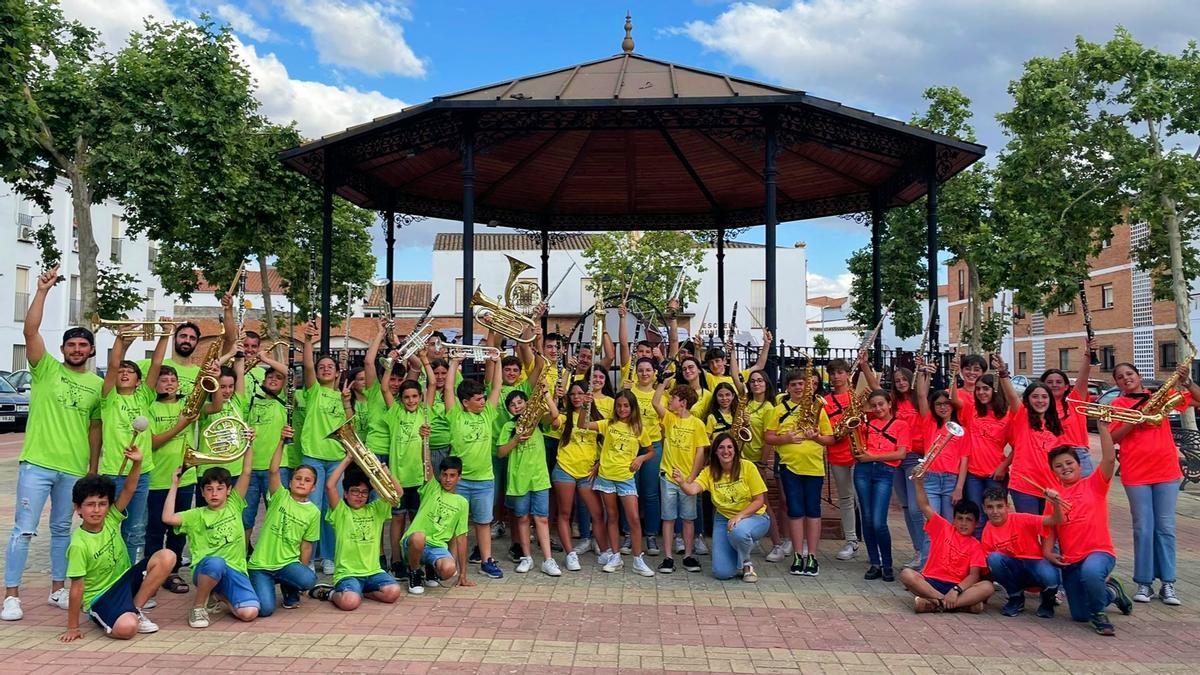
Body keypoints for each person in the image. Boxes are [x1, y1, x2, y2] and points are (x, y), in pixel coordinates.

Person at [3, 268, 104, 622]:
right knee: (24, 530)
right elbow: (30, 331)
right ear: (62, 349)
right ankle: (11, 595)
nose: (77, 349)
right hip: (38, 463)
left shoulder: (96, 384)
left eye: (83, 345)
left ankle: (58, 589)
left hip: (73, 469)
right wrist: (42, 291)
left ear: (91, 350)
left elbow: (95, 429)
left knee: (63, 530)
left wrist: (92, 469)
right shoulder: (45, 368)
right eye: (71, 345)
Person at [1106, 361, 1200, 606]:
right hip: (1135, 472)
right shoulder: (1117, 405)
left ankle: (1168, 582)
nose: (1126, 378)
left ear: (1138, 376)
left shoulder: (1161, 395)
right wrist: (1135, 420)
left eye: (1129, 374)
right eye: (1120, 377)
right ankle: (1144, 582)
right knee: (1143, 528)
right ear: (1116, 383)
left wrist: (1187, 381)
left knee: (1165, 528)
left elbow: (1198, 400)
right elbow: (1112, 437)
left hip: (1166, 471)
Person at [59, 446, 175, 642]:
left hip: (125, 580)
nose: (96, 510)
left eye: (102, 504)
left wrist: (137, 462)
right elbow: (77, 588)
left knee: (167, 556)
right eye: (89, 504)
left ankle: (135, 609)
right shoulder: (78, 544)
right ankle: (114, 617)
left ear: (108, 506)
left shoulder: (111, 518)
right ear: (78, 508)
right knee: (128, 629)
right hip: (101, 597)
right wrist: (72, 627)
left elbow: (129, 489)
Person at [1042, 424, 1134, 635]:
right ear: (1052, 470)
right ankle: (1111, 592)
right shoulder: (1053, 497)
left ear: (1079, 463)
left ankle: (1101, 617)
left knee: (1091, 572)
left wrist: (1102, 427)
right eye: (1058, 466)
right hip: (1071, 560)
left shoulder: (1094, 483)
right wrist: (1048, 552)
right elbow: (1050, 529)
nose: (1065, 467)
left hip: (1099, 552)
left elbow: (1109, 459)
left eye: (1069, 462)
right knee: (1080, 615)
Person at [163, 448, 260, 629]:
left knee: (250, 613)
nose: (214, 494)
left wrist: (249, 444)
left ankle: (220, 595)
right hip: (206, 569)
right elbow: (167, 517)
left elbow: (246, 471)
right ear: (202, 493)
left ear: (229, 490)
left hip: (236, 569)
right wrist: (174, 484)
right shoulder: (196, 515)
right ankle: (198, 607)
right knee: (216, 563)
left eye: (219, 489)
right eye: (209, 489)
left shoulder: (234, 504)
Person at [98, 331, 166, 563]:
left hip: (141, 474)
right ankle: (109, 575)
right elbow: (113, 364)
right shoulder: (109, 398)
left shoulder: (144, 397)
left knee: (135, 530)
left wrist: (165, 335)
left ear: (139, 381)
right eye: (121, 372)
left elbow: (157, 363)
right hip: (113, 473)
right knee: (108, 528)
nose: (124, 373)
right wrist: (120, 340)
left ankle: (131, 579)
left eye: (131, 372)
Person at [764, 367, 834, 576]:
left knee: (813, 511)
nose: (797, 388)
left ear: (808, 386)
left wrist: (816, 437)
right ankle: (797, 554)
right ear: (788, 387)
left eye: (801, 384)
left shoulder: (818, 408)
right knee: (795, 511)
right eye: (793, 384)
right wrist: (785, 439)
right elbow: (768, 437)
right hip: (789, 466)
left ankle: (811, 556)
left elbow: (829, 439)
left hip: (814, 467)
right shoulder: (779, 410)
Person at [308, 456, 403, 610]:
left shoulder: (376, 509)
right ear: (345, 493)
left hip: (374, 572)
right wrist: (348, 459)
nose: (360, 496)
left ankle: (361, 593)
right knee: (349, 603)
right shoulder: (341, 512)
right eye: (355, 491)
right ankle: (330, 594)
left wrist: (386, 473)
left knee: (393, 592)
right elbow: (330, 486)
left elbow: (398, 493)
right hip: (348, 574)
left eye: (364, 492)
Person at [673, 433, 770, 582]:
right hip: (723, 519)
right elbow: (692, 490)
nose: (726, 451)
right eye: (721, 448)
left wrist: (739, 516)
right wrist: (681, 482)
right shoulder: (709, 471)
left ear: (735, 450)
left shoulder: (747, 467)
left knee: (738, 531)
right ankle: (740, 546)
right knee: (722, 573)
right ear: (716, 452)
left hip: (755, 516)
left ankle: (746, 563)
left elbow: (759, 501)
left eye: (730, 447)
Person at [578, 390, 656, 576]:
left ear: (632, 407)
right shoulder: (608, 424)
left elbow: (651, 451)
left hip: (626, 478)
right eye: (619, 405)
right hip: (606, 476)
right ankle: (615, 556)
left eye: (626, 406)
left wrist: (640, 459)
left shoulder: (639, 429)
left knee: (634, 519)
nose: (622, 409)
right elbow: (582, 424)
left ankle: (638, 559)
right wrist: (584, 406)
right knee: (611, 516)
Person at [443, 351, 504, 578]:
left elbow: (496, 388)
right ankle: (451, 561)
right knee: (456, 525)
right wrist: (455, 363)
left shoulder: (487, 413)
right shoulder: (456, 416)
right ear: (465, 403)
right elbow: (449, 389)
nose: (483, 402)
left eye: (483, 398)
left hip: (484, 480)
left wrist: (497, 363)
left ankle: (487, 561)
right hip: (461, 481)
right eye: (478, 399)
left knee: (483, 522)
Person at [246, 434, 319, 616]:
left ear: (314, 488)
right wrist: (281, 441)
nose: (302, 482)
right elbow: (273, 471)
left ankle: (289, 589)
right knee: (265, 610)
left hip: (287, 564)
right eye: (298, 478)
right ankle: (260, 584)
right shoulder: (280, 496)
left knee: (308, 580)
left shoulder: (313, 512)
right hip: (261, 566)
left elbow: (307, 545)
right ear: (290, 482)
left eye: (307, 480)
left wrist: (298, 577)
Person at [497, 372, 562, 576]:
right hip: (519, 480)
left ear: (526, 403)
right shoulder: (508, 426)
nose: (517, 406)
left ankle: (548, 560)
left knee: (541, 518)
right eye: (513, 404)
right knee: (522, 518)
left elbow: (554, 416)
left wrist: (545, 393)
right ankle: (527, 557)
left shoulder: (537, 422)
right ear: (509, 409)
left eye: (520, 402)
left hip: (539, 478)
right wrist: (515, 439)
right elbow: (500, 452)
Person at [898, 475, 993, 614]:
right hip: (931, 582)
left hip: (957, 586)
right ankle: (950, 603)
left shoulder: (975, 545)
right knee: (907, 574)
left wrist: (956, 590)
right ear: (953, 520)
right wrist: (918, 483)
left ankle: (934, 604)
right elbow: (924, 506)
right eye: (960, 518)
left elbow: (973, 576)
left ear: (976, 524)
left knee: (987, 587)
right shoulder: (943, 528)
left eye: (968, 520)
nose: (963, 523)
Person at [299, 320, 349, 575]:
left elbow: (351, 427)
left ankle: (328, 556)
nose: (325, 369)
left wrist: (348, 402)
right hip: (314, 458)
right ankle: (307, 556)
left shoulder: (344, 395)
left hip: (336, 460)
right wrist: (308, 341)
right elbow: (307, 364)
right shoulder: (314, 391)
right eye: (322, 367)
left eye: (330, 366)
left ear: (338, 372)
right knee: (312, 509)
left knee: (332, 511)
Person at [145, 365, 201, 595]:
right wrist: (181, 425)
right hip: (158, 478)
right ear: (155, 384)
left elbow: (215, 404)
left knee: (179, 529)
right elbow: (152, 442)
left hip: (185, 477)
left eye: (173, 380)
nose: (169, 383)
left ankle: (173, 571)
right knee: (155, 529)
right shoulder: (150, 407)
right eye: (164, 380)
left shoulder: (186, 404)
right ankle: (152, 571)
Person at [380, 359, 435, 578]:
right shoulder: (395, 413)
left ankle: (415, 557)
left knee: (417, 520)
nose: (411, 400)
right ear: (400, 400)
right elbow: (384, 387)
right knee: (398, 519)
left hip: (420, 477)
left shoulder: (425, 412)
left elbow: (432, 383)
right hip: (399, 478)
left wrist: (424, 359)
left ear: (420, 398)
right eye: (406, 397)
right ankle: (396, 559)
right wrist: (390, 363)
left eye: (414, 396)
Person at [552, 381, 610, 570]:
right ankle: (570, 554)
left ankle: (605, 551)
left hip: (587, 473)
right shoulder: (564, 417)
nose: (576, 397)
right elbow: (552, 421)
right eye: (573, 394)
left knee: (598, 513)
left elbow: (608, 445)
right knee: (565, 513)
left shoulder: (598, 418)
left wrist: (599, 463)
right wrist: (552, 396)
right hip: (565, 469)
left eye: (581, 393)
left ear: (588, 395)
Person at [824, 355, 876, 562]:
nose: (836, 377)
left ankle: (871, 541)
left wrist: (864, 366)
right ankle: (851, 540)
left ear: (847, 374)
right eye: (832, 373)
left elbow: (876, 388)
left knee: (862, 499)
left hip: (859, 454)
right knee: (845, 499)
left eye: (840, 372)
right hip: (837, 454)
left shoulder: (857, 396)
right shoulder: (825, 401)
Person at [994, 356, 1062, 514]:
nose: (1040, 401)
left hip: (1051, 487)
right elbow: (1011, 396)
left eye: (1044, 397)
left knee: (1049, 533)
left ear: (1050, 400)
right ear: (1028, 400)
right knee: (1029, 534)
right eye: (1035, 397)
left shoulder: (1056, 425)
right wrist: (1003, 373)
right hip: (1024, 485)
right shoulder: (1022, 416)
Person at [653, 381, 708, 574]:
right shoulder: (669, 418)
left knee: (688, 518)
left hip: (687, 480)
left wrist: (690, 478)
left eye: (674, 398)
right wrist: (661, 383)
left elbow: (700, 453)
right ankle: (668, 557)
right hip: (668, 477)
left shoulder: (698, 424)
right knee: (668, 518)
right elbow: (655, 402)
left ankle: (688, 555)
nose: (670, 401)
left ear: (683, 402)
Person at [981, 487, 1061, 617]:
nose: (995, 512)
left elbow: (1055, 520)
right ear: (984, 508)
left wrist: (1055, 503)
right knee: (993, 559)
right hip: (1016, 572)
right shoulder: (987, 531)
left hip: (1034, 566)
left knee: (1051, 575)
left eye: (1000, 506)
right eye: (990, 507)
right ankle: (1016, 598)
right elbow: (988, 569)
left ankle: (1047, 602)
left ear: (1007, 506)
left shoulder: (1022, 518)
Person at [856, 390, 909, 582]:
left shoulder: (901, 425)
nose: (878, 408)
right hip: (863, 470)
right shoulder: (866, 424)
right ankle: (874, 563)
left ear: (889, 404)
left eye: (881, 404)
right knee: (867, 519)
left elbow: (901, 454)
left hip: (884, 472)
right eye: (874, 405)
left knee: (879, 521)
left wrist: (874, 457)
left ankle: (887, 563)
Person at [402, 456, 472, 593]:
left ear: (459, 477)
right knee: (419, 537)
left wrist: (463, 574)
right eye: (444, 475)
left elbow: (461, 538)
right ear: (440, 475)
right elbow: (426, 463)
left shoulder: (462, 502)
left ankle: (431, 567)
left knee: (449, 570)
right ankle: (414, 572)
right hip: (414, 543)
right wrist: (425, 439)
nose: (447, 479)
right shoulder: (432, 488)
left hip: (437, 547)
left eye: (452, 475)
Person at [914, 359, 968, 523]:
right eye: (938, 404)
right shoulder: (929, 422)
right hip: (931, 477)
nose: (943, 407)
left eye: (947, 404)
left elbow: (964, 460)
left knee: (949, 525)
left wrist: (959, 488)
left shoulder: (961, 429)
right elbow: (922, 395)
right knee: (931, 525)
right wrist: (925, 372)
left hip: (951, 480)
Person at [243, 366, 291, 543]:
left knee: (278, 514)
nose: (273, 380)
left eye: (278, 378)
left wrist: (265, 359)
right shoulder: (252, 400)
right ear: (263, 381)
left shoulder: (285, 400)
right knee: (246, 515)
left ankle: (274, 551)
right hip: (251, 468)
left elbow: (289, 373)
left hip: (277, 468)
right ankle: (245, 551)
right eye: (269, 377)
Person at [963, 374, 1014, 537]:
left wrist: (1003, 466)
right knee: (978, 518)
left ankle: (996, 554)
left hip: (995, 475)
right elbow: (952, 398)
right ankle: (980, 558)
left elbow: (1018, 446)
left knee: (996, 517)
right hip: (972, 474)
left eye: (986, 388)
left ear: (995, 390)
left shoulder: (1007, 415)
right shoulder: (972, 410)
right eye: (978, 389)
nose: (981, 392)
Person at [1039, 337, 1098, 477]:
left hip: (1078, 456)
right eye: (1049, 382)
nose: (1054, 385)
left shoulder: (1074, 401)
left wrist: (1088, 355)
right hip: (1050, 457)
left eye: (1059, 382)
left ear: (1066, 386)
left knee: (1084, 497)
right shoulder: (1038, 407)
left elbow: (1083, 377)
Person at [626, 357, 666, 557]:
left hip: (653, 446)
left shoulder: (661, 395)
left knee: (650, 493)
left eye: (648, 370)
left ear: (654, 373)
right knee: (629, 492)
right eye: (640, 370)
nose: (644, 373)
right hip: (631, 447)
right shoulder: (629, 391)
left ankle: (650, 534)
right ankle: (627, 534)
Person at [889, 366, 926, 567]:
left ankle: (924, 552)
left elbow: (922, 391)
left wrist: (920, 371)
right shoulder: (893, 403)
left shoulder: (919, 401)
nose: (901, 383)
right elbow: (875, 387)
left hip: (915, 457)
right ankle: (918, 550)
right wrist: (865, 366)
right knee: (905, 507)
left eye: (904, 379)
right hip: (896, 458)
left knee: (915, 508)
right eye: (897, 380)